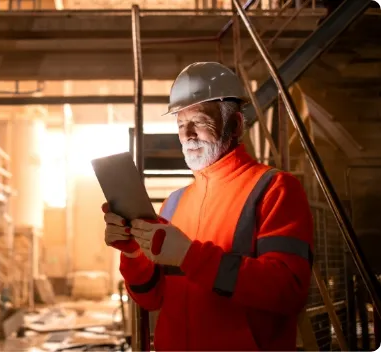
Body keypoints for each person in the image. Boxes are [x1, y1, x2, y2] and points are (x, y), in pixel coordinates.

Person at [102, 62, 314, 351]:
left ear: (236, 125)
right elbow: (152, 298)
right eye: (180, 124)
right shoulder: (173, 203)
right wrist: (133, 252)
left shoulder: (274, 189)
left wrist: (191, 256)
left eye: (199, 121)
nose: (188, 134)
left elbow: (288, 291)